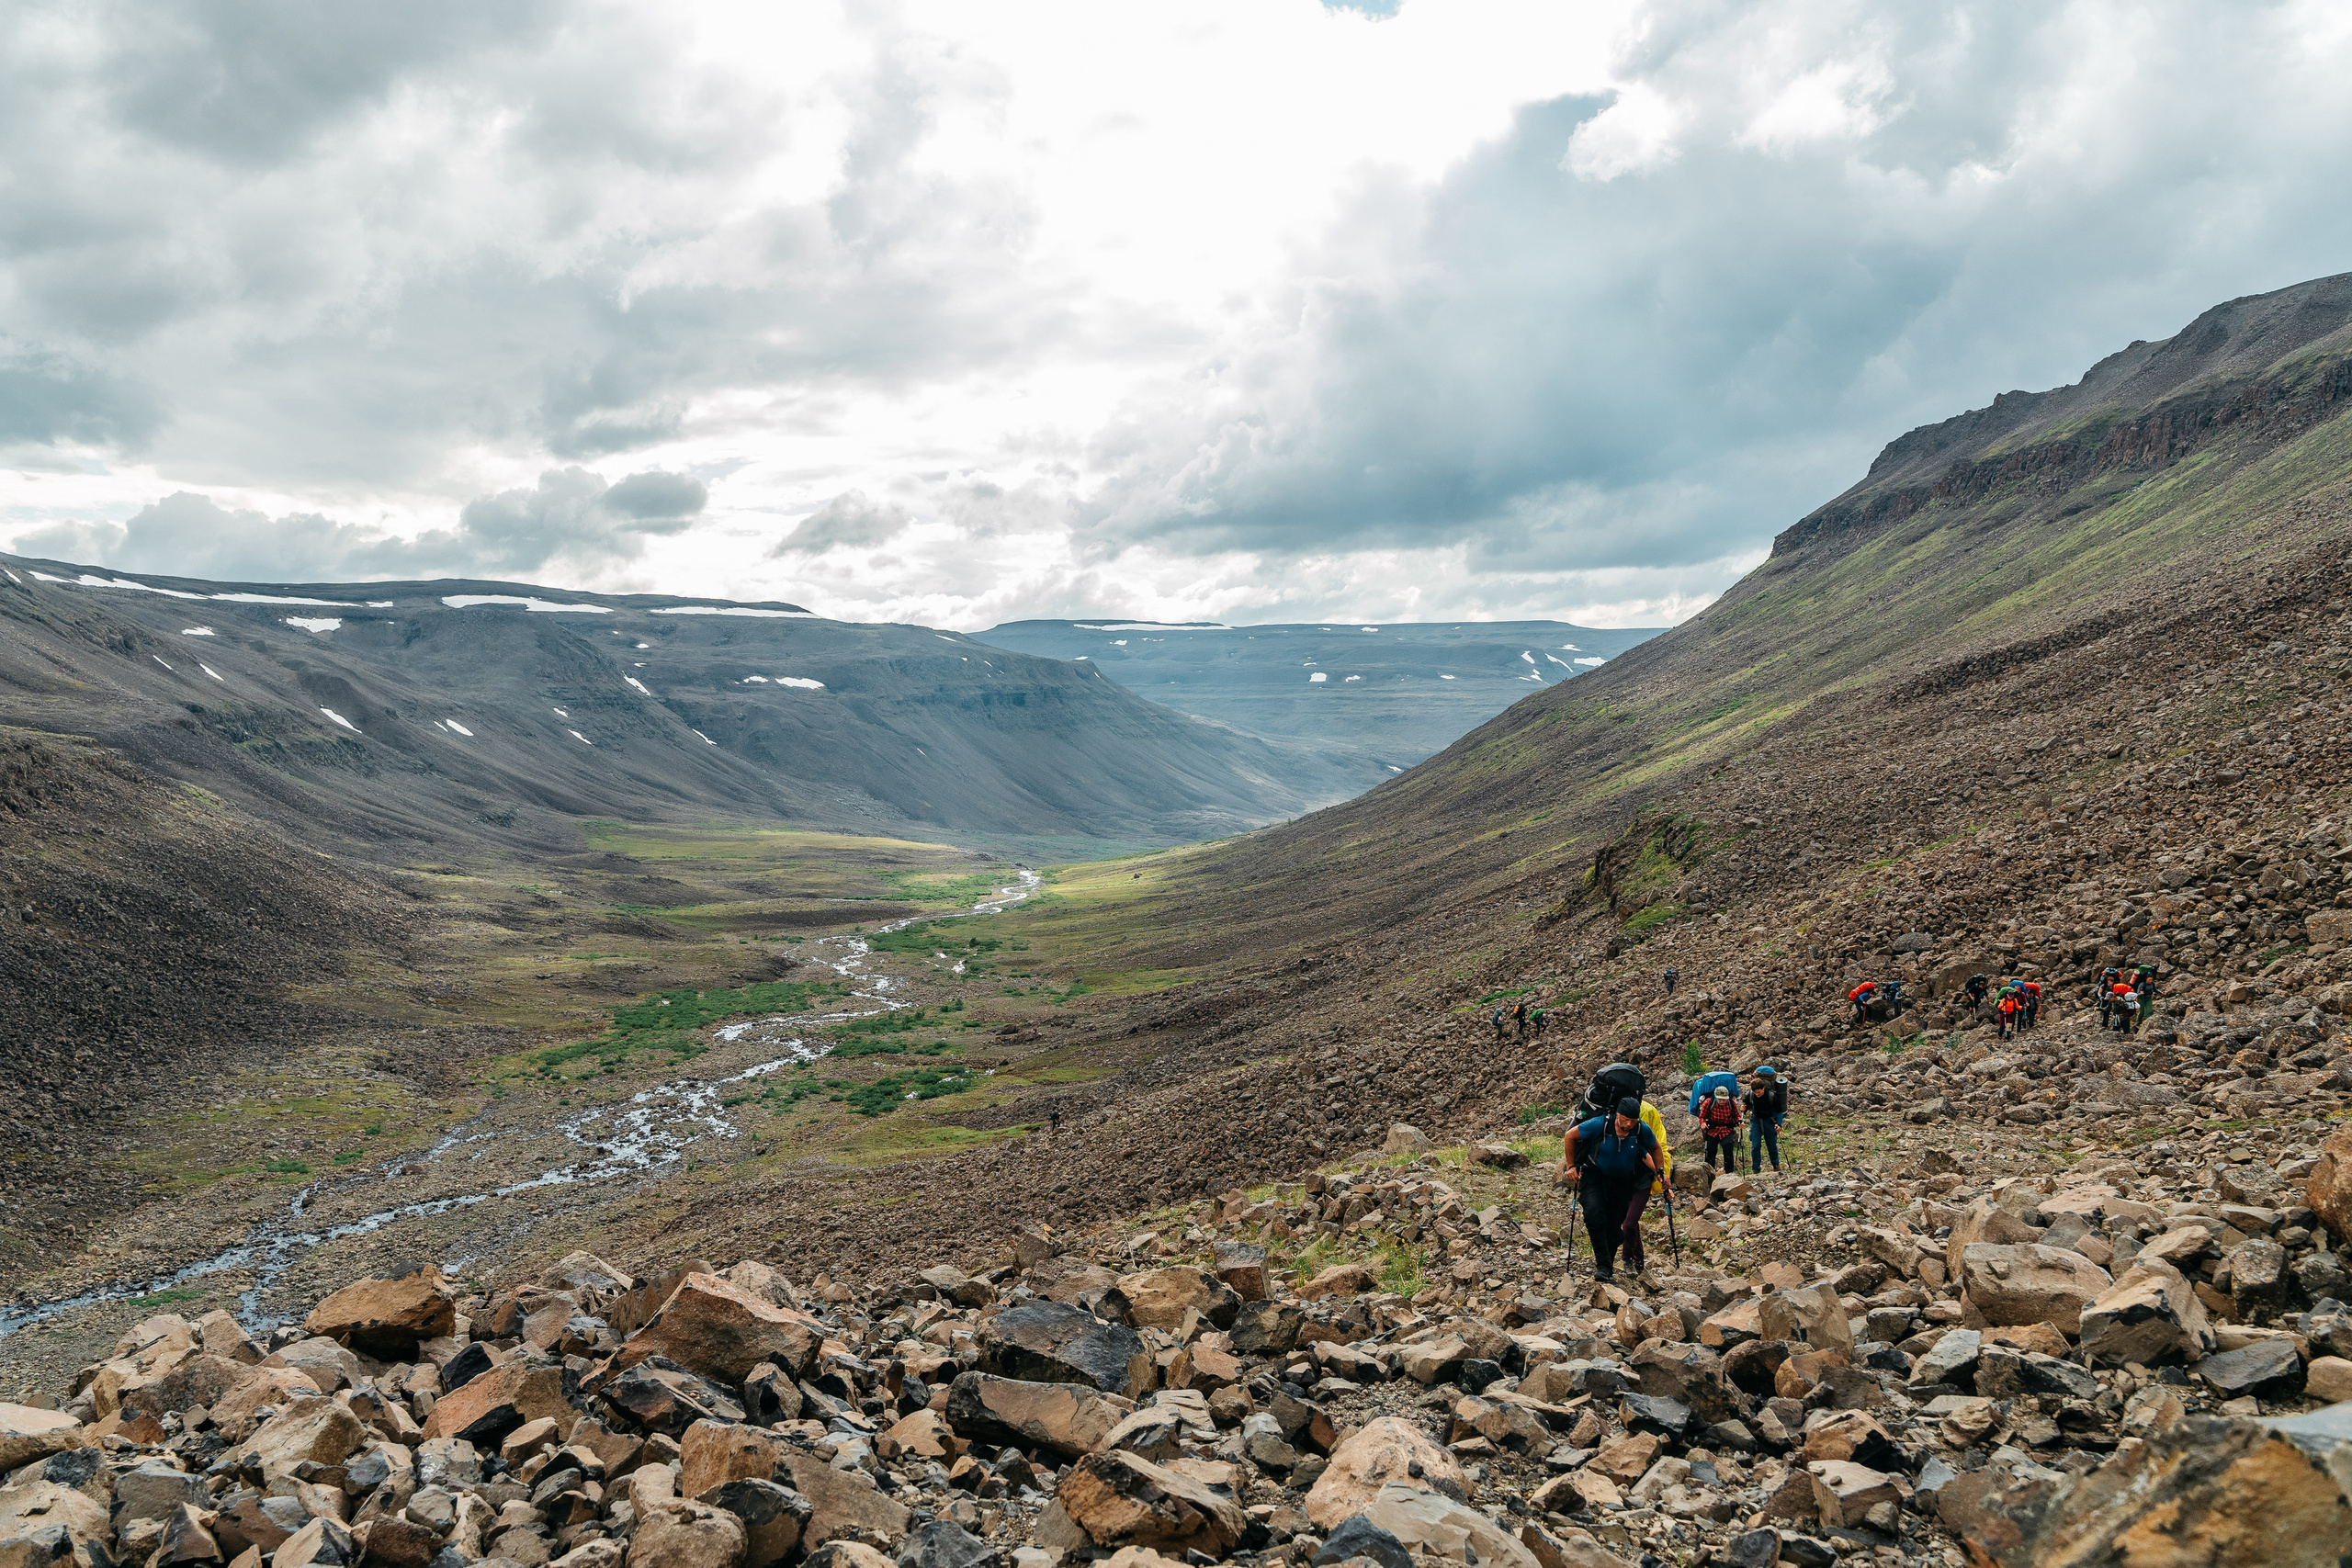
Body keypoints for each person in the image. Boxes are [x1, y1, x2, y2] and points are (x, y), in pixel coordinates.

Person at [1562, 1095, 1662, 1283]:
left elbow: (1655, 1148)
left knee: (1615, 1228)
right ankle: (1604, 1267)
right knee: (1594, 1215)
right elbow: (1570, 1136)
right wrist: (1571, 1166)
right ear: (1618, 1114)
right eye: (1626, 1119)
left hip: (1623, 1181)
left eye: (1633, 1120)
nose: (1629, 1124)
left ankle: (1606, 1263)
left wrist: (1661, 1172)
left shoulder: (1640, 1129)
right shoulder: (1601, 1124)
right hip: (1594, 1175)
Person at [1744, 1066, 1787, 1173]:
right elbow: (1745, 1106)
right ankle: (1755, 1169)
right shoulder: (1751, 1095)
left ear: (1763, 1088)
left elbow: (1779, 1111)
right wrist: (1743, 1109)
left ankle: (1775, 1165)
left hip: (1769, 1121)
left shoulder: (1771, 1096)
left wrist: (1779, 1124)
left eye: (1759, 1092)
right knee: (1755, 1146)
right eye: (1755, 1092)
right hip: (1756, 1120)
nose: (1757, 1095)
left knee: (1771, 1145)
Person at [1697, 1084, 1741, 1173]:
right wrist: (1703, 1123)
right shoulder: (1708, 1103)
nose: (1722, 1101)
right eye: (1720, 1099)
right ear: (1716, 1097)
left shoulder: (1731, 1103)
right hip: (1712, 1130)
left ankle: (1729, 1173)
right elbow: (1702, 1117)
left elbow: (1736, 1115)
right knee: (1711, 1151)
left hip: (1726, 1129)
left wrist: (1739, 1122)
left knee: (1728, 1149)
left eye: (1724, 1099)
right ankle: (1710, 1172)